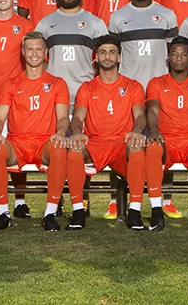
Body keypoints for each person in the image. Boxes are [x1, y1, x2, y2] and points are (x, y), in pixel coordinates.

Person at [108, 0, 182, 218]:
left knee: (160, 141)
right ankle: (116, 200)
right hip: (129, 91)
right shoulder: (118, 16)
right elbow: (113, 55)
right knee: (124, 142)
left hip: (159, 91)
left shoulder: (167, 15)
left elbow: (174, 54)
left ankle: (166, 199)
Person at [0, 32, 71, 231]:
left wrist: (60, 132)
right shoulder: (11, 84)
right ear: (23, 52)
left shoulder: (57, 83)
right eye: (30, 49)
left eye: (38, 49)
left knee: (59, 147)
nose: (34, 53)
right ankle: (4, 213)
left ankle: (50, 213)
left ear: (46, 52)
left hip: (45, 142)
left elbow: (63, 117)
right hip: (18, 142)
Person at [69, 35, 149, 230]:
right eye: (103, 52)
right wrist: (77, 132)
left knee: (137, 146)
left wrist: (137, 130)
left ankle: (135, 212)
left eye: (112, 52)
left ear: (119, 57)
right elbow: (77, 117)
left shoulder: (133, 86)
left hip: (123, 142)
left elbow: (140, 116)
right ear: (96, 57)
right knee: (75, 150)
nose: (107, 56)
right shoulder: (87, 87)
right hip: (96, 143)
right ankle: (78, 212)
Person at [145, 37, 188, 231]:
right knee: (152, 148)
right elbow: (152, 110)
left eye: (183, 55)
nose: (178, 58)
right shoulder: (156, 83)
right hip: (166, 139)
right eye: (174, 54)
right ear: (168, 57)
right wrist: (153, 130)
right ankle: (156, 212)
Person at [35, 0, 108, 103]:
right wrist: (50, 73)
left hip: (85, 96)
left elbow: (107, 57)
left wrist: (88, 73)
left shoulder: (96, 23)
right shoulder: (45, 23)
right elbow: (35, 57)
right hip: (53, 96)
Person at [107, 0, 178, 90]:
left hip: (160, 87)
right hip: (129, 86)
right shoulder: (117, 17)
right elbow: (113, 53)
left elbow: (172, 51)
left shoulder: (167, 15)